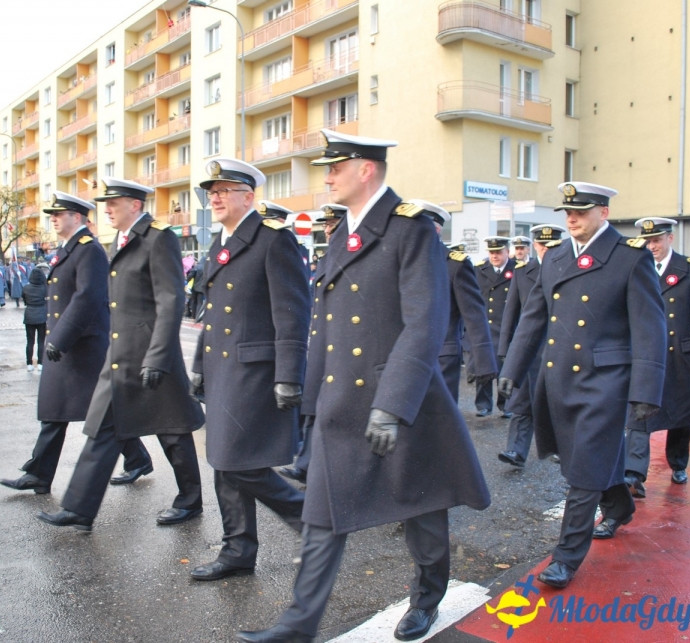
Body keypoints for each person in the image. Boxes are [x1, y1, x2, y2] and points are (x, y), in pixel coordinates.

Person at [237, 131, 490, 643]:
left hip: (400, 400)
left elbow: (425, 323)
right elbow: (324, 327)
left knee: (421, 506)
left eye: (335, 167)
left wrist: (393, 406)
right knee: (324, 520)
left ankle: (427, 598)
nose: (326, 175)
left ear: (366, 170)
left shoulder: (410, 229)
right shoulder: (342, 234)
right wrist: (310, 403)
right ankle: (298, 625)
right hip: (341, 402)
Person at [498, 182, 666, 589]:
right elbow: (534, 317)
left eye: (581, 211)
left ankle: (566, 557)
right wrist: (512, 369)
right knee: (585, 456)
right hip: (559, 376)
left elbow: (650, 327)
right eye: (567, 213)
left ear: (603, 213)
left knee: (584, 465)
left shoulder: (628, 258)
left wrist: (646, 389)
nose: (571, 218)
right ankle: (620, 505)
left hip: (605, 381)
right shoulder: (554, 257)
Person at [37, 178, 205, 531]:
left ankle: (190, 500)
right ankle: (79, 509)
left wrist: (158, 356)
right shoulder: (121, 240)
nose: (107, 210)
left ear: (135, 205)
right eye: (106, 204)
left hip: (150, 354)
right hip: (120, 354)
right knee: (101, 430)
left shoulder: (158, 239)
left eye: (113, 204)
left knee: (173, 430)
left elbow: (170, 301)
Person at [189, 158, 311, 582]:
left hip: (255, 371)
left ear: (249, 196)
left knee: (239, 463)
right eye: (212, 191)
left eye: (225, 190)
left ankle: (312, 523)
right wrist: (198, 365)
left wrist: (289, 375)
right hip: (222, 369)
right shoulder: (218, 243)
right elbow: (214, 314)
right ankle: (238, 550)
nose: (215, 197)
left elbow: (293, 313)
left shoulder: (272, 239)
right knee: (224, 461)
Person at [0, 192, 113, 496]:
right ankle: (38, 473)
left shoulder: (89, 250)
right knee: (55, 411)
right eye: (52, 214)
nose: (53, 218)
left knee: (103, 414)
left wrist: (60, 337)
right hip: (66, 344)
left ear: (77, 217)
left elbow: (87, 297)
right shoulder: (69, 249)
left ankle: (138, 459)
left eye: (59, 214)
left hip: (81, 345)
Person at [618, 217, 690, 502]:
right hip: (641, 355)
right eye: (648, 241)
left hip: (680, 353)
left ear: (669, 239)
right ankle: (634, 474)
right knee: (638, 412)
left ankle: (678, 462)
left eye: (657, 240)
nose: (652, 246)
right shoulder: (633, 268)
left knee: (680, 414)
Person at [279, 203, 348, 485]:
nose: (328, 230)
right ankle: (306, 464)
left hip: (343, 343)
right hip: (321, 340)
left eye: (333, 225)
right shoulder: (328, 254)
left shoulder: (349, 253)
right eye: (326, 226)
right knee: (311, 406)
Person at [497, 225, 566, 468]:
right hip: (530, 349)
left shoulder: (569, 268)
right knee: (522, 402)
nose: (546, 249)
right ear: (534, 245)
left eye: (552, 245)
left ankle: (560, 447)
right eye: (542, 244)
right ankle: (515, 450)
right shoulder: (523, 272)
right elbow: (511, 313)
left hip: (561, 348)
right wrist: (506, 350)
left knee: (557, 402)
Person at [421, 203, 497, 408]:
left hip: (442, 357)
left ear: (435, 229)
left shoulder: (454, 264)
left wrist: (482, 362)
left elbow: (474, 315)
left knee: (440, 419)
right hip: (407, 358)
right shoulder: (402, 263)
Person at [473, 236, 514, 418]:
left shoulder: (517, 270)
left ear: (507, 252)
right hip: (486, 326)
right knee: (483, 366)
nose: (495, 256)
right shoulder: (479, 270)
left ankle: (506, 404)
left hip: (506, 326)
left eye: (498, 252)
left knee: (506, 368)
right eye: (492, 252)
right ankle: (483, 404)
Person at [22, 266, 47, 372]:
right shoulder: (45, 288)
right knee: (41, 341)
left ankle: (29, 363)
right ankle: (40, 363)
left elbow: (24, 300)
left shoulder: (26, 288)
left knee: (30, 341)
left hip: (29, 315)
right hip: (42, 315)